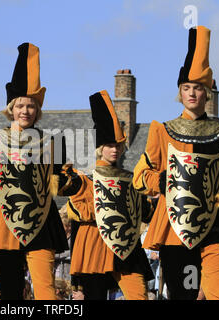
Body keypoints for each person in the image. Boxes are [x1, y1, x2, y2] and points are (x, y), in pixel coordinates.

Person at [132, 26, 219, 300]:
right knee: (183, 296)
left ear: (207, 92)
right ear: (180, 92)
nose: (191, 94)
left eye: (197, 88)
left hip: (214, 227)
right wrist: (160, 181)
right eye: (186, 88)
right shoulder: (161, 131)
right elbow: (140, 176)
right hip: (175, 229)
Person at [0, 43, 69, 300]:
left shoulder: (53, 142)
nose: (25, 111)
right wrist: (0, 183)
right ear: (11, 109)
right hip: (2, 223)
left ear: (37, 111)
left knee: (46, 291)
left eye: (31, 106)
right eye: (20, 106)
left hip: (42, 221)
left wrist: (69, 182)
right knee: (10, 293)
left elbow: (64, 178)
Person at [66, 90, 153, 300]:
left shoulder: (130, 179)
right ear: (100, 148)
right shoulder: (85, 178)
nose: (114, 150)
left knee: (139, 295)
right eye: (109, 146)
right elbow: (77, 211)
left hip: (126, 245)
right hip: (94, 245)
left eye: (117, 146)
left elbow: (145, 212)